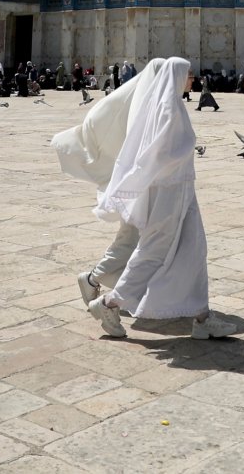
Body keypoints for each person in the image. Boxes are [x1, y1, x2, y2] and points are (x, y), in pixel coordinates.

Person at [84, 58, 236, 340]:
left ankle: (202, 318)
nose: (193, 78)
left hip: (182, 190)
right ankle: (108, 304)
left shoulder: (172, 105)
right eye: (189, 74)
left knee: (194, 250)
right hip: (168, 193)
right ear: (177, 76)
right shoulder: (166, 108)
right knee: (153, 253)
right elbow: (156, 154)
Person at [54, 59, 163, 324]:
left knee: (136, 240)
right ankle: (94, 282)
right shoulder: (143, 109)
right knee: (132, 239)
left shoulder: (148, 104)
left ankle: (119, 290)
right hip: (139, 187)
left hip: (147, 186)